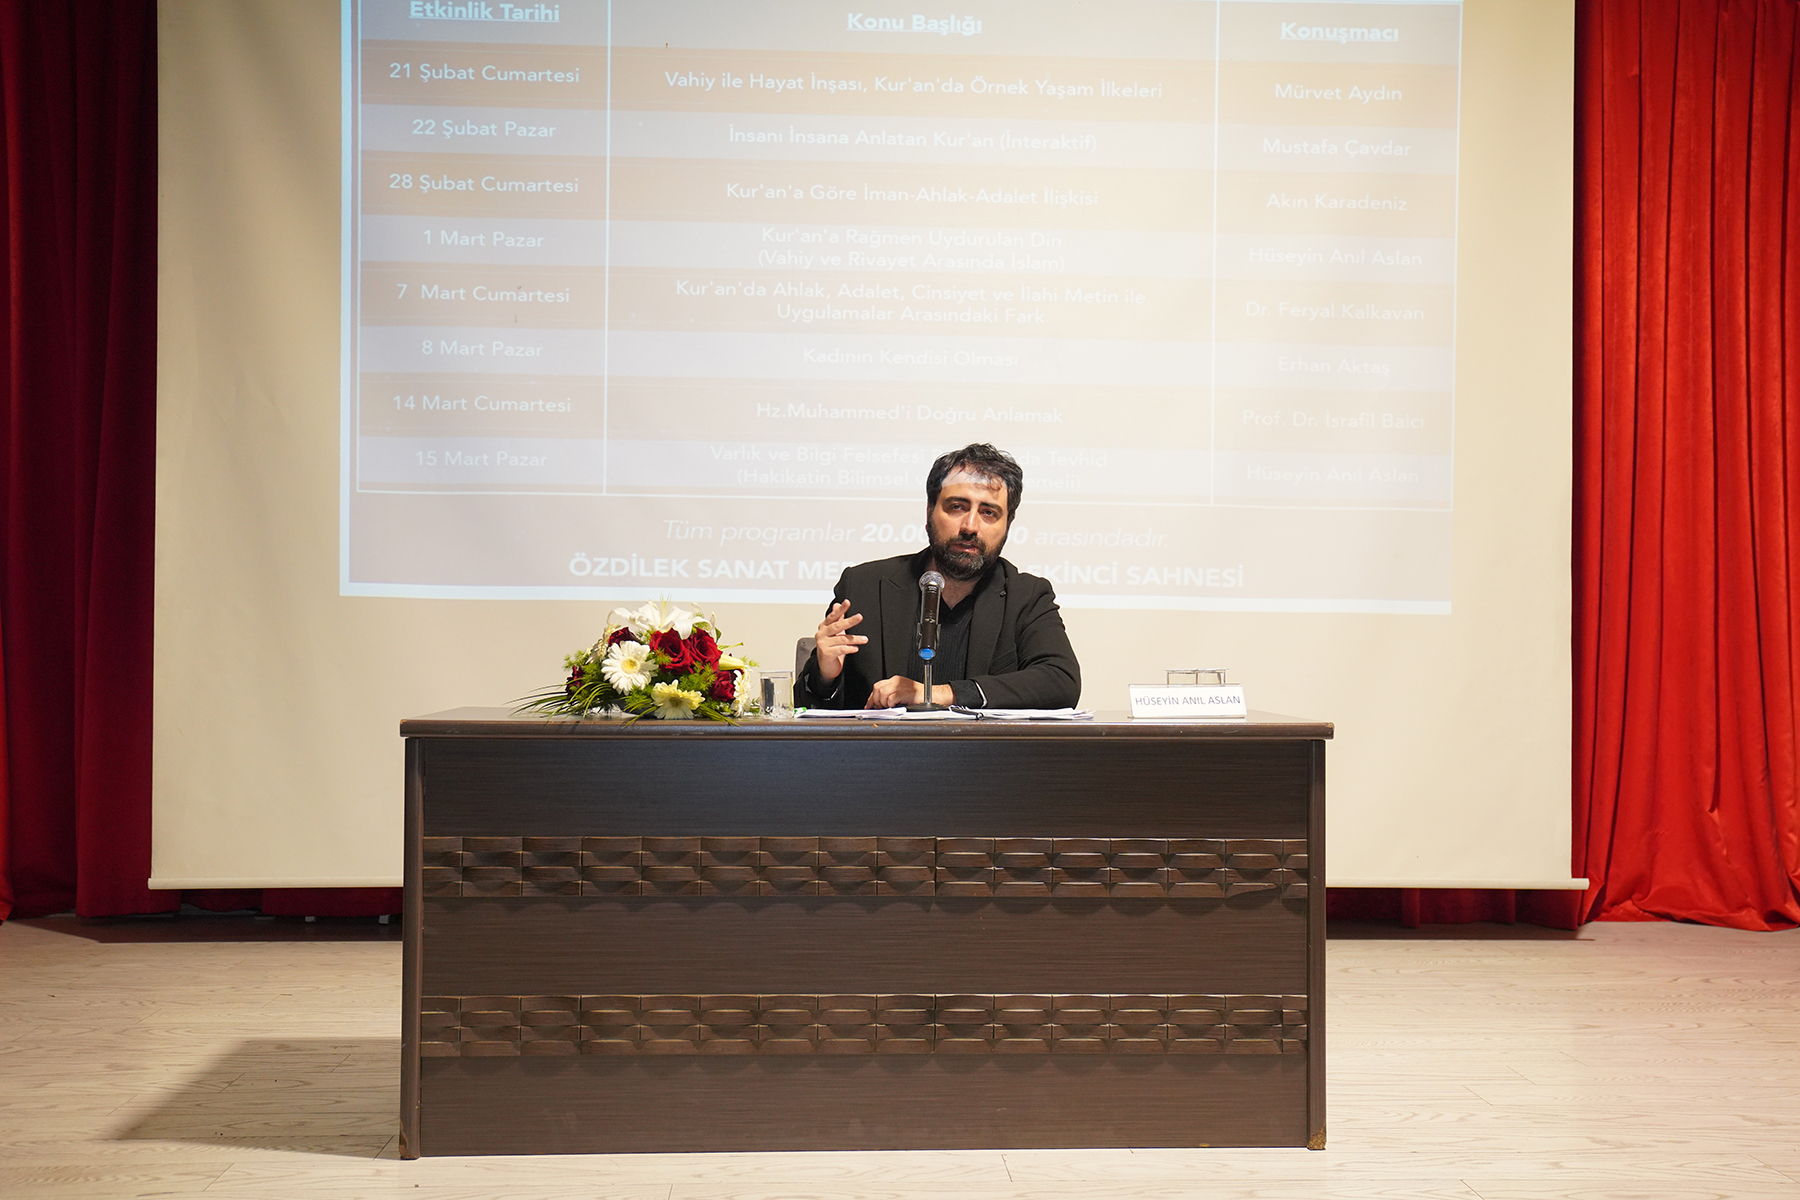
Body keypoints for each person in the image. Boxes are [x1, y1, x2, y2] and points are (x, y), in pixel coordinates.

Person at [795, 443, 1081, 710]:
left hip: (982, 749)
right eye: (957, 507)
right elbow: (803, 706)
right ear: (930, 511)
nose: (970, 526)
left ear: (1007, 525)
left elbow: (1061, 682)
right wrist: (824, 675)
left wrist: (940, 694)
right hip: (882, 749)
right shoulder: (864, 587)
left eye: (988, 512)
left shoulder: (1027, 596)